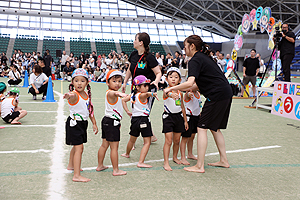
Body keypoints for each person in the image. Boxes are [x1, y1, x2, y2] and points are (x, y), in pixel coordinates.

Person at [164, 35, 232, 173]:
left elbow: (190, 82)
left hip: (216, 95)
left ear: (192, 46)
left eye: (185, 46)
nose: (184, 49)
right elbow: (198, 84)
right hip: (225, 92)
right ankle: (224, 160)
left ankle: (200, 166)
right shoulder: (204, 57)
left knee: (202, 127)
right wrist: (189, 89)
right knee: (215, 127)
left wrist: (171, 88)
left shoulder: (195, 60)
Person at [121, 32, 162, 142]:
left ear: (141, 42)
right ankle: (149, 136)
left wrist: (156, 81)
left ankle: (143, 137)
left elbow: (158, 73)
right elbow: (130, 70)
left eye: (135, 39)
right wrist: (125, 82)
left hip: (147, 90)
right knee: (136, 111)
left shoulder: (149, 57)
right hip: (136, 89)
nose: (133, 41)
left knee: (143, 112)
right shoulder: (133, 54)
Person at [63, 68, 98, 182]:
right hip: (75, 123)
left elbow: (90, 110)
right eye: (76, 80)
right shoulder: (75, 94)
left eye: (82, 80)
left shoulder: (86, 95)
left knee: (76, 146)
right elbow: (71, 96)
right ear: (72, 82)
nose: (79, 83)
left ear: (87, 82)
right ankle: (76, 175)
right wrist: (68, 96)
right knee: (79, 148)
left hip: (82, 123)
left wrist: (94, 123)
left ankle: (71, 166)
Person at [121, 75, 159, 168]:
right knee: (147, 142)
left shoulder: (132, 95)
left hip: (134, 120)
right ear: (137, 87)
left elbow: (123, 100)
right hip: (143, 120)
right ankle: (141, 162)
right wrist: (152, 94)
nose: (147, 87)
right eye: (144, 85)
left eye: (147, 85)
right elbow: (145, 95)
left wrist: (127, 111)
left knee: (132, 139)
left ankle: (127, 153)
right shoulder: (142, 95)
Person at [96, 70, 127, 176]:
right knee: (114, 147)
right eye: (114, 81)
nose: (117, 83)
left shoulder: (114, 94)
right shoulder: (110, 92)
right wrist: (119, 93)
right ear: (107, 82)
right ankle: (116, 170)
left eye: (119, 81)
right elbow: (115, 93)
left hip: (107, 121)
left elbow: (121, 99)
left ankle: (100, 165)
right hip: (112, 123)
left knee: (104, 145)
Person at [162, 67, 188, 171]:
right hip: (168, 117)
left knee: (177, 140)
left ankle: (175, 157)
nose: (173, 79)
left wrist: (185, 120)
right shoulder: (166, 90)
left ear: (180, 80)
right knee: (168, 140)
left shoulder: (180, 93)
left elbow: (182, 107)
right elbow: (166, 93)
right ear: (167, 79)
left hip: (179, 117)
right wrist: (171, 94)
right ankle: (166, 162)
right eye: (171, 77)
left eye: (176, 77)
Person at [181, 85, 201, 165]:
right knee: (185, 138)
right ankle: (183, 157)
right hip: (189, 117)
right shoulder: (188, 94)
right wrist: (189, 94)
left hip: (196, 117)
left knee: (192, 137)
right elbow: (187, 96)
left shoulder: (198, 93)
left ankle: (190, 154)